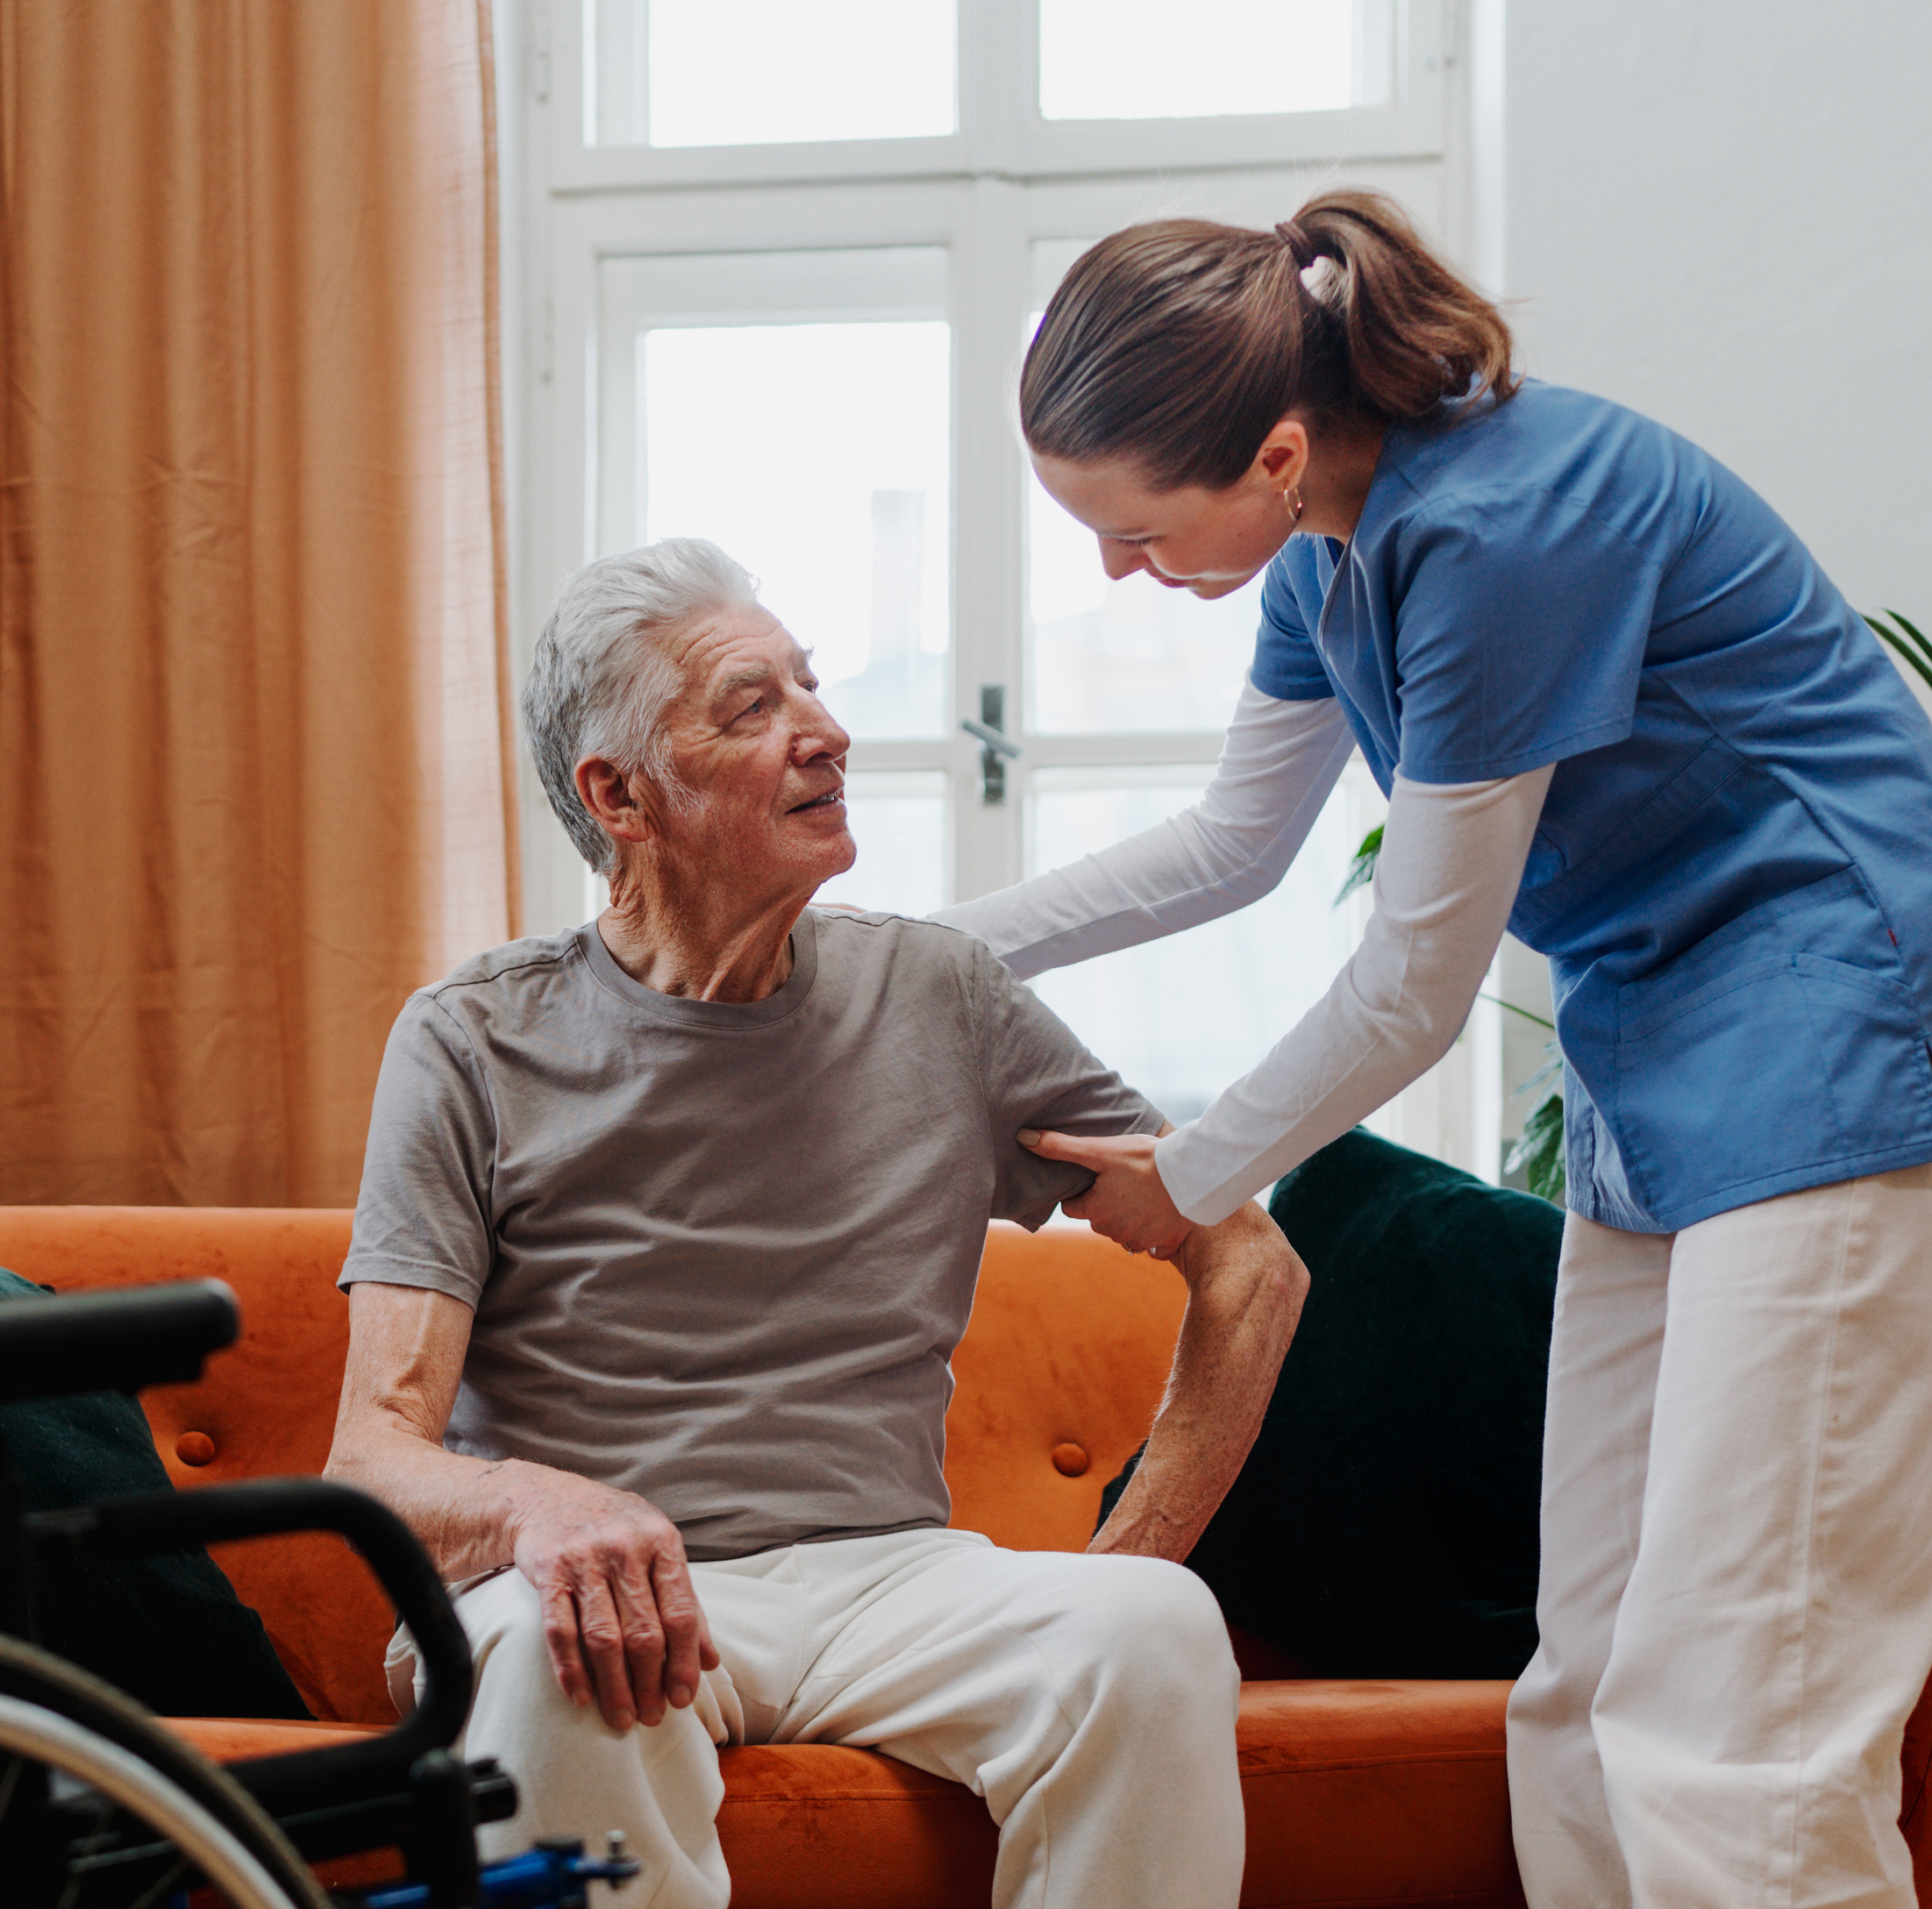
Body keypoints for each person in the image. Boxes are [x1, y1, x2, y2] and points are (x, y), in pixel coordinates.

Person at [940, 189, 1932, 1909]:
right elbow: (1236, 844)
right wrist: (930, 954)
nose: (1116, 573)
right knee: (1589, 1695)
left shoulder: (1504, 527)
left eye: (1139, 536)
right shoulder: (1326, 541)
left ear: (1275, 451)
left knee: (1745, 1726)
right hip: (1659, 1053)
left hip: (1842, 1040)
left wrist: (1202, 1176)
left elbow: (1414, 984)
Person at [326, 537, 1308, 1909]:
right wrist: (535, 1507)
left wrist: (1127, 1551)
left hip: (888, 1580)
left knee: (1147, 1629)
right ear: (620, 794)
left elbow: (1247, 1256)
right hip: (593, 1583)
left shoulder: (941, 997)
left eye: (812, 686)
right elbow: (372, 1456)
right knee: (567, 1660)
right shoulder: (474, 1040)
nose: (827, 733)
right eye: (753, 706)